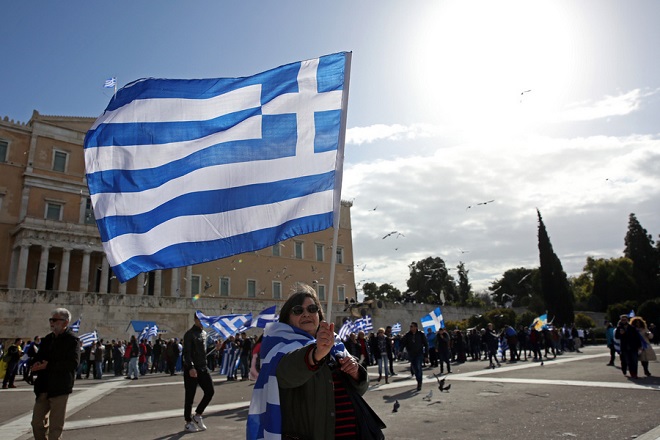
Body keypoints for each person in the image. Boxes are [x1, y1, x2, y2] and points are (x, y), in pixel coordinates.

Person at [247, 282, 369, 439]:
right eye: (298, 310)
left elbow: (359, 391)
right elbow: (286, 374)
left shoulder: (335, 345)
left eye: (312, 309)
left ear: (319, 314)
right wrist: (316, 354)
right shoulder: (279, 345)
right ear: (287, 318)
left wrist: (356, 373)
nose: (306, 314)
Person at [31, 307, 81, 440]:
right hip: (44, 386)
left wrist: (49, 365)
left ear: (65, 322)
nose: (51, 323)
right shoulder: (48, 339)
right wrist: (35, 363)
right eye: (50, 320)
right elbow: (39, 356)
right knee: (36, 423)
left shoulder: (72, 340)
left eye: (54, 320)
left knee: (55, 427)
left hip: (60, 386)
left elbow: (73, 363)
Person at [182, 313, 215, 432]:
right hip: (192, 369)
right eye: (200, 320)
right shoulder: (189, 334)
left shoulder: (204, 333)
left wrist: (217, 347)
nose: (201, 322)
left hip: (202, 367)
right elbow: (187, 353)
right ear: (195, 320)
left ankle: (198, 415)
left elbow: (204, 351)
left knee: (210, 391)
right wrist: (190, 367)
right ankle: (188, 421)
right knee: (190, 396)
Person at [401, 322, 428, 391]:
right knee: (414, 368)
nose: (411, 328)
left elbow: (426, 344)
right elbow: (403, 343)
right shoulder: (408, 335)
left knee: (419, 367)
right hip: (411, 354)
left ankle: (419, 382)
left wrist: (426, 355)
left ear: (416, 327)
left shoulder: (421, 334)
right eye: (410, 326)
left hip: (419, 353)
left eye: (412, 326)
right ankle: (418, 379)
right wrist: (400, 350)